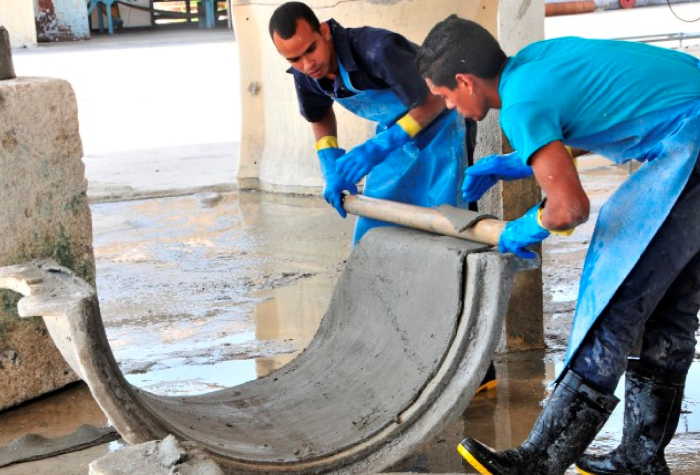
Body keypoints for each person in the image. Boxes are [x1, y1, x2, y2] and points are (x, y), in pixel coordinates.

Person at [417, 14, 700, 475]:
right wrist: (519, 160)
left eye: (445, 95)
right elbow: (614, 114)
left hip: (691, 142)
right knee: (669, 313)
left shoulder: (520, 101)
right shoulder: (536, 63)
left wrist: (520, 230)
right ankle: (640, 457)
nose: (449, 106)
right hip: (689, 124)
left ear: (465, 81)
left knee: (614, 300)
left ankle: (540, 460)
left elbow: (569, 208)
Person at [268, 2, 474, 245]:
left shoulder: (378, 48)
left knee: (445, 221)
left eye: (311, 49)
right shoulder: (306, 74)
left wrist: (379, 147)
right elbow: (319, 115)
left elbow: (437, 98)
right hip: (395, 137)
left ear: (324, 31)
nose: (307, 64)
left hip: (443, 129)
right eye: (294, 59)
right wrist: (330, 165)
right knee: (375, 226)